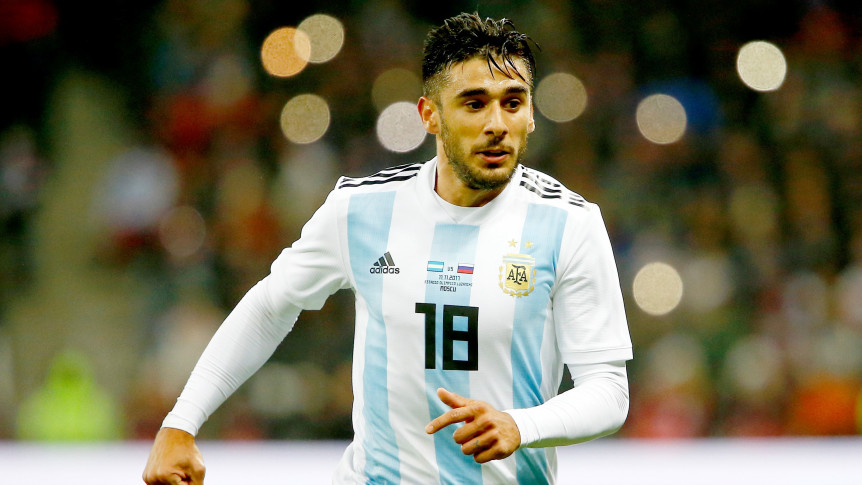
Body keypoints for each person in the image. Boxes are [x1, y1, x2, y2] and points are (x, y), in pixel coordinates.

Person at [143, 12, 632, 485]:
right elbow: (270, 307)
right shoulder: (361, 210)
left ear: (531, 115)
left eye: (513, 102)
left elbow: (608, 391)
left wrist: (521, 425)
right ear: (430, 115)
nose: (497, 123)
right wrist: (181, 423)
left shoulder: (569, 224)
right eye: (474, 103)